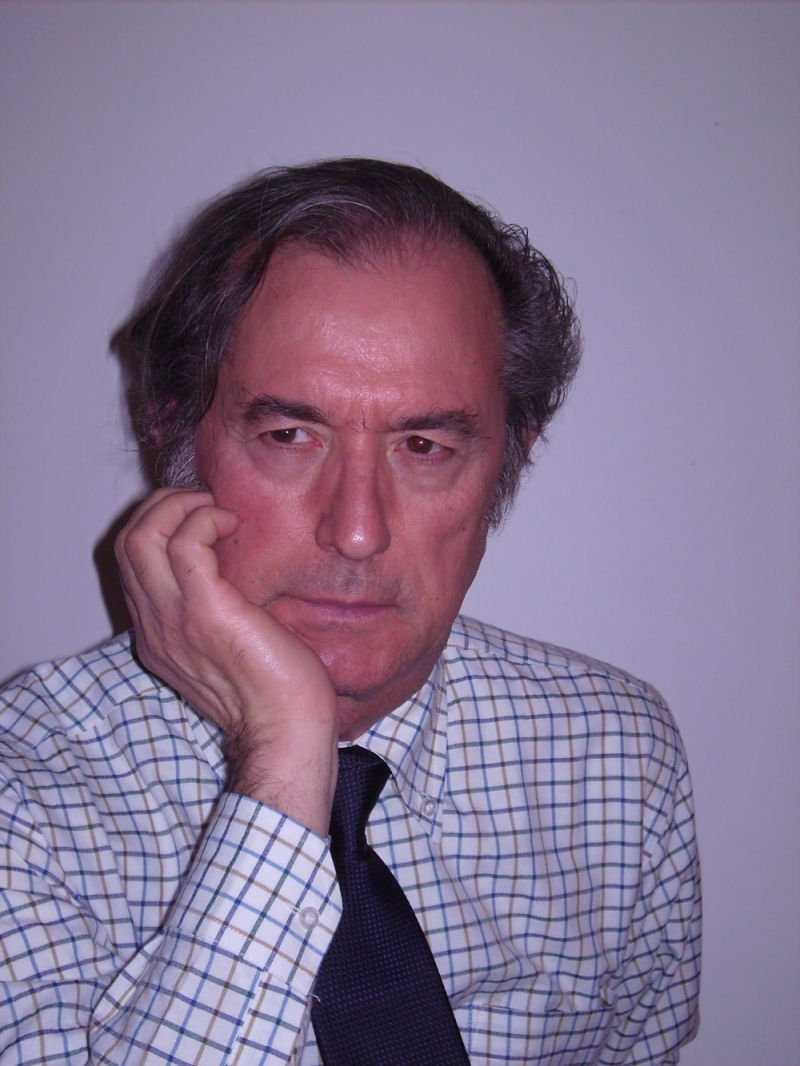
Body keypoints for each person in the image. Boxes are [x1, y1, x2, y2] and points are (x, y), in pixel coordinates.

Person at [0, 159, 700, 1065]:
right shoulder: (26, 795)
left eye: (424, 444)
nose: (358, 530)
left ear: (509, 461)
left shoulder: (618, 756)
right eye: (290, 435)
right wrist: (286, 759)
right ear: (173, 429)